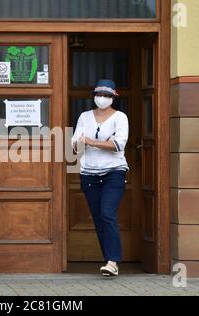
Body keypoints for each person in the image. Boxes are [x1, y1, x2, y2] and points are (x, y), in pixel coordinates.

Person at [71, 79, 129, 277]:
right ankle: (109, 261)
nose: (101, 99)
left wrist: (90, 142)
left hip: (114, 172)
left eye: (106, 95)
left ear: (113, 97)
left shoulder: (120, 118)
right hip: (89, 174)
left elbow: (118, 145)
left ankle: (113, 261)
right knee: (98, 219)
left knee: (107, 214)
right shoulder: (84, 117)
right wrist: (86, 143)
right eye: (99, 95)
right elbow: (75, 143)